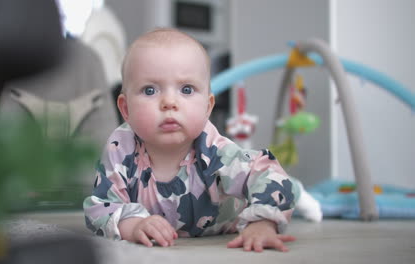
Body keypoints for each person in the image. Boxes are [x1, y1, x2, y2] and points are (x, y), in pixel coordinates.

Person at [84, 28, 298, 252]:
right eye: (149, 90)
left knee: (287, 189)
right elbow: (101, 207)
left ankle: (299, 197)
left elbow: (267, 173)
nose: (169, 102)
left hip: (229, 218)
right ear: (126, 109)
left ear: (207, 106)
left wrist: (263, 223)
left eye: (186, 89)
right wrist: (133, 224)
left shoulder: (215, 149)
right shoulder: (120, 148)